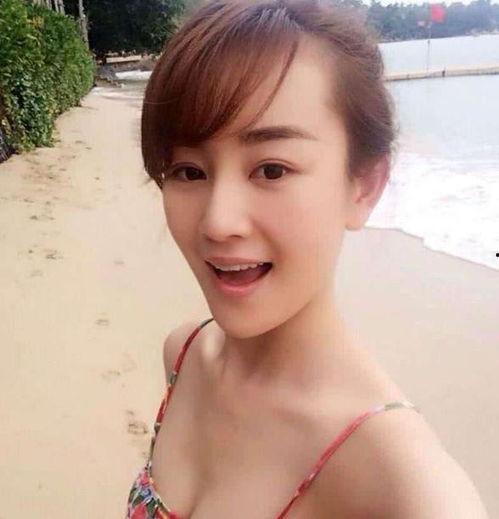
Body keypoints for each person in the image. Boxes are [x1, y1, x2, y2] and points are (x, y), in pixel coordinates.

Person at [127, 0, 489, 517]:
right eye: (189, 171)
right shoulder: (185, 355)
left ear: (364, 185)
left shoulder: (410, 489)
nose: (218, 222)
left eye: (271, 169)